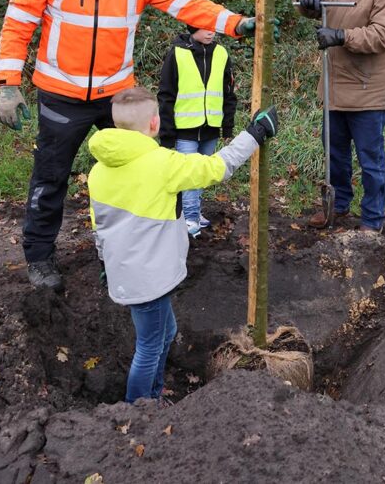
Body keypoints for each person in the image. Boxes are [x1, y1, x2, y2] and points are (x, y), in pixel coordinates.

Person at [0, 0, 256, 291]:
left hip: (117, 100)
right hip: (60, 96)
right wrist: (9, 84)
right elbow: (18, 23)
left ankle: (121, 250)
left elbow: (186, 3)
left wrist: (234, 24)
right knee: (50, 179)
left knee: (140, 174)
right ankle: (40, 258)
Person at [87, 86, 277, 403]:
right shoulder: (163, 164)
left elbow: (100, 224)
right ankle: (137, 408)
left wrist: (104, 263)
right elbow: (218, 167)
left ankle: (155, 394)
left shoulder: (98, 171)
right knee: (149, 346)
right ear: (153, 124)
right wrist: (255, 133)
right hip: (150, 278)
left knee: (166, 333)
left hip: (127, 271)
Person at [292, 0, 385, 232]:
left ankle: (372, 220)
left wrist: (341, 36)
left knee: (370, 161)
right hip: (334, 86)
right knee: (335, 154)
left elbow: (383, 35)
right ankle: (338, 206)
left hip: (368, 89)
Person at [157, 24, 237, 238]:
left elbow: (228, 92)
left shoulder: (221, 53)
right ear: (193, 27)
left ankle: (191, 213)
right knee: (189, 174)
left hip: (211, 126)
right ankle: (190, 219)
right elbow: (166, 94)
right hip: (185, 129)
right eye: (205, 28)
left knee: (201, 174)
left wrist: (227, 125)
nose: (211, 32)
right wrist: (167, 133)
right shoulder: (177, 53)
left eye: (214, 27)